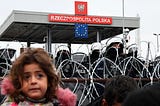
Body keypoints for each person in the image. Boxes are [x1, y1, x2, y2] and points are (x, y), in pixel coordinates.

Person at [0, 48, 77, 106]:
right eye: (27, 77)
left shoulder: (57, 103)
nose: (33, 81)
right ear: (18, 81)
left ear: (49, 80)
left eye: (40, 76)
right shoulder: (11, 104)